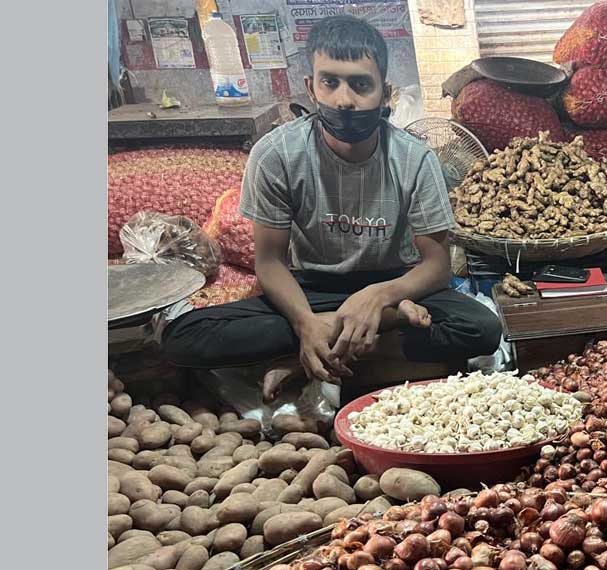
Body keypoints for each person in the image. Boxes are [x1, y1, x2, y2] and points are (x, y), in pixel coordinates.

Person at [161, 14, 501, 399]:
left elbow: (437, 267)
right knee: (184, 336)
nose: (345, 100)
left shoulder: (415, 159)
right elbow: (269, 262)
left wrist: (379, 298)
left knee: (480, 327)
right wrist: (305, 322)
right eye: (331, 82)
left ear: (384, 93)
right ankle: (353, 337)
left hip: (393, 283)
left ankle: (305, 358)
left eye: (360, 85)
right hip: (312, 290)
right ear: (311, 87)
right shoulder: (277, 154)